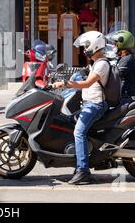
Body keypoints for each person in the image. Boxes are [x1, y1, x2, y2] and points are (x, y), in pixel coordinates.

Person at [52, 31, 109, 185]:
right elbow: (85, 79)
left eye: (86, 46)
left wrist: (65, 83)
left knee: (78, 132)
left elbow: (87, 84)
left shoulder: (102, 64)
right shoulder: (96, 63)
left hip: (95, 105)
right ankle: (77, 164)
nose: (84, 49)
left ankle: (84, 171)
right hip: (89, 104)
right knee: (66, 122)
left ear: (94, 45)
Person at [110, 30, 135, 98]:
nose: (113, 46)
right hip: (121, 96)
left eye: (115, 44)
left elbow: (116, 75)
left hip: (126, 98)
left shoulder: (127, 59)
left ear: (122, 44)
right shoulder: (122, 58)